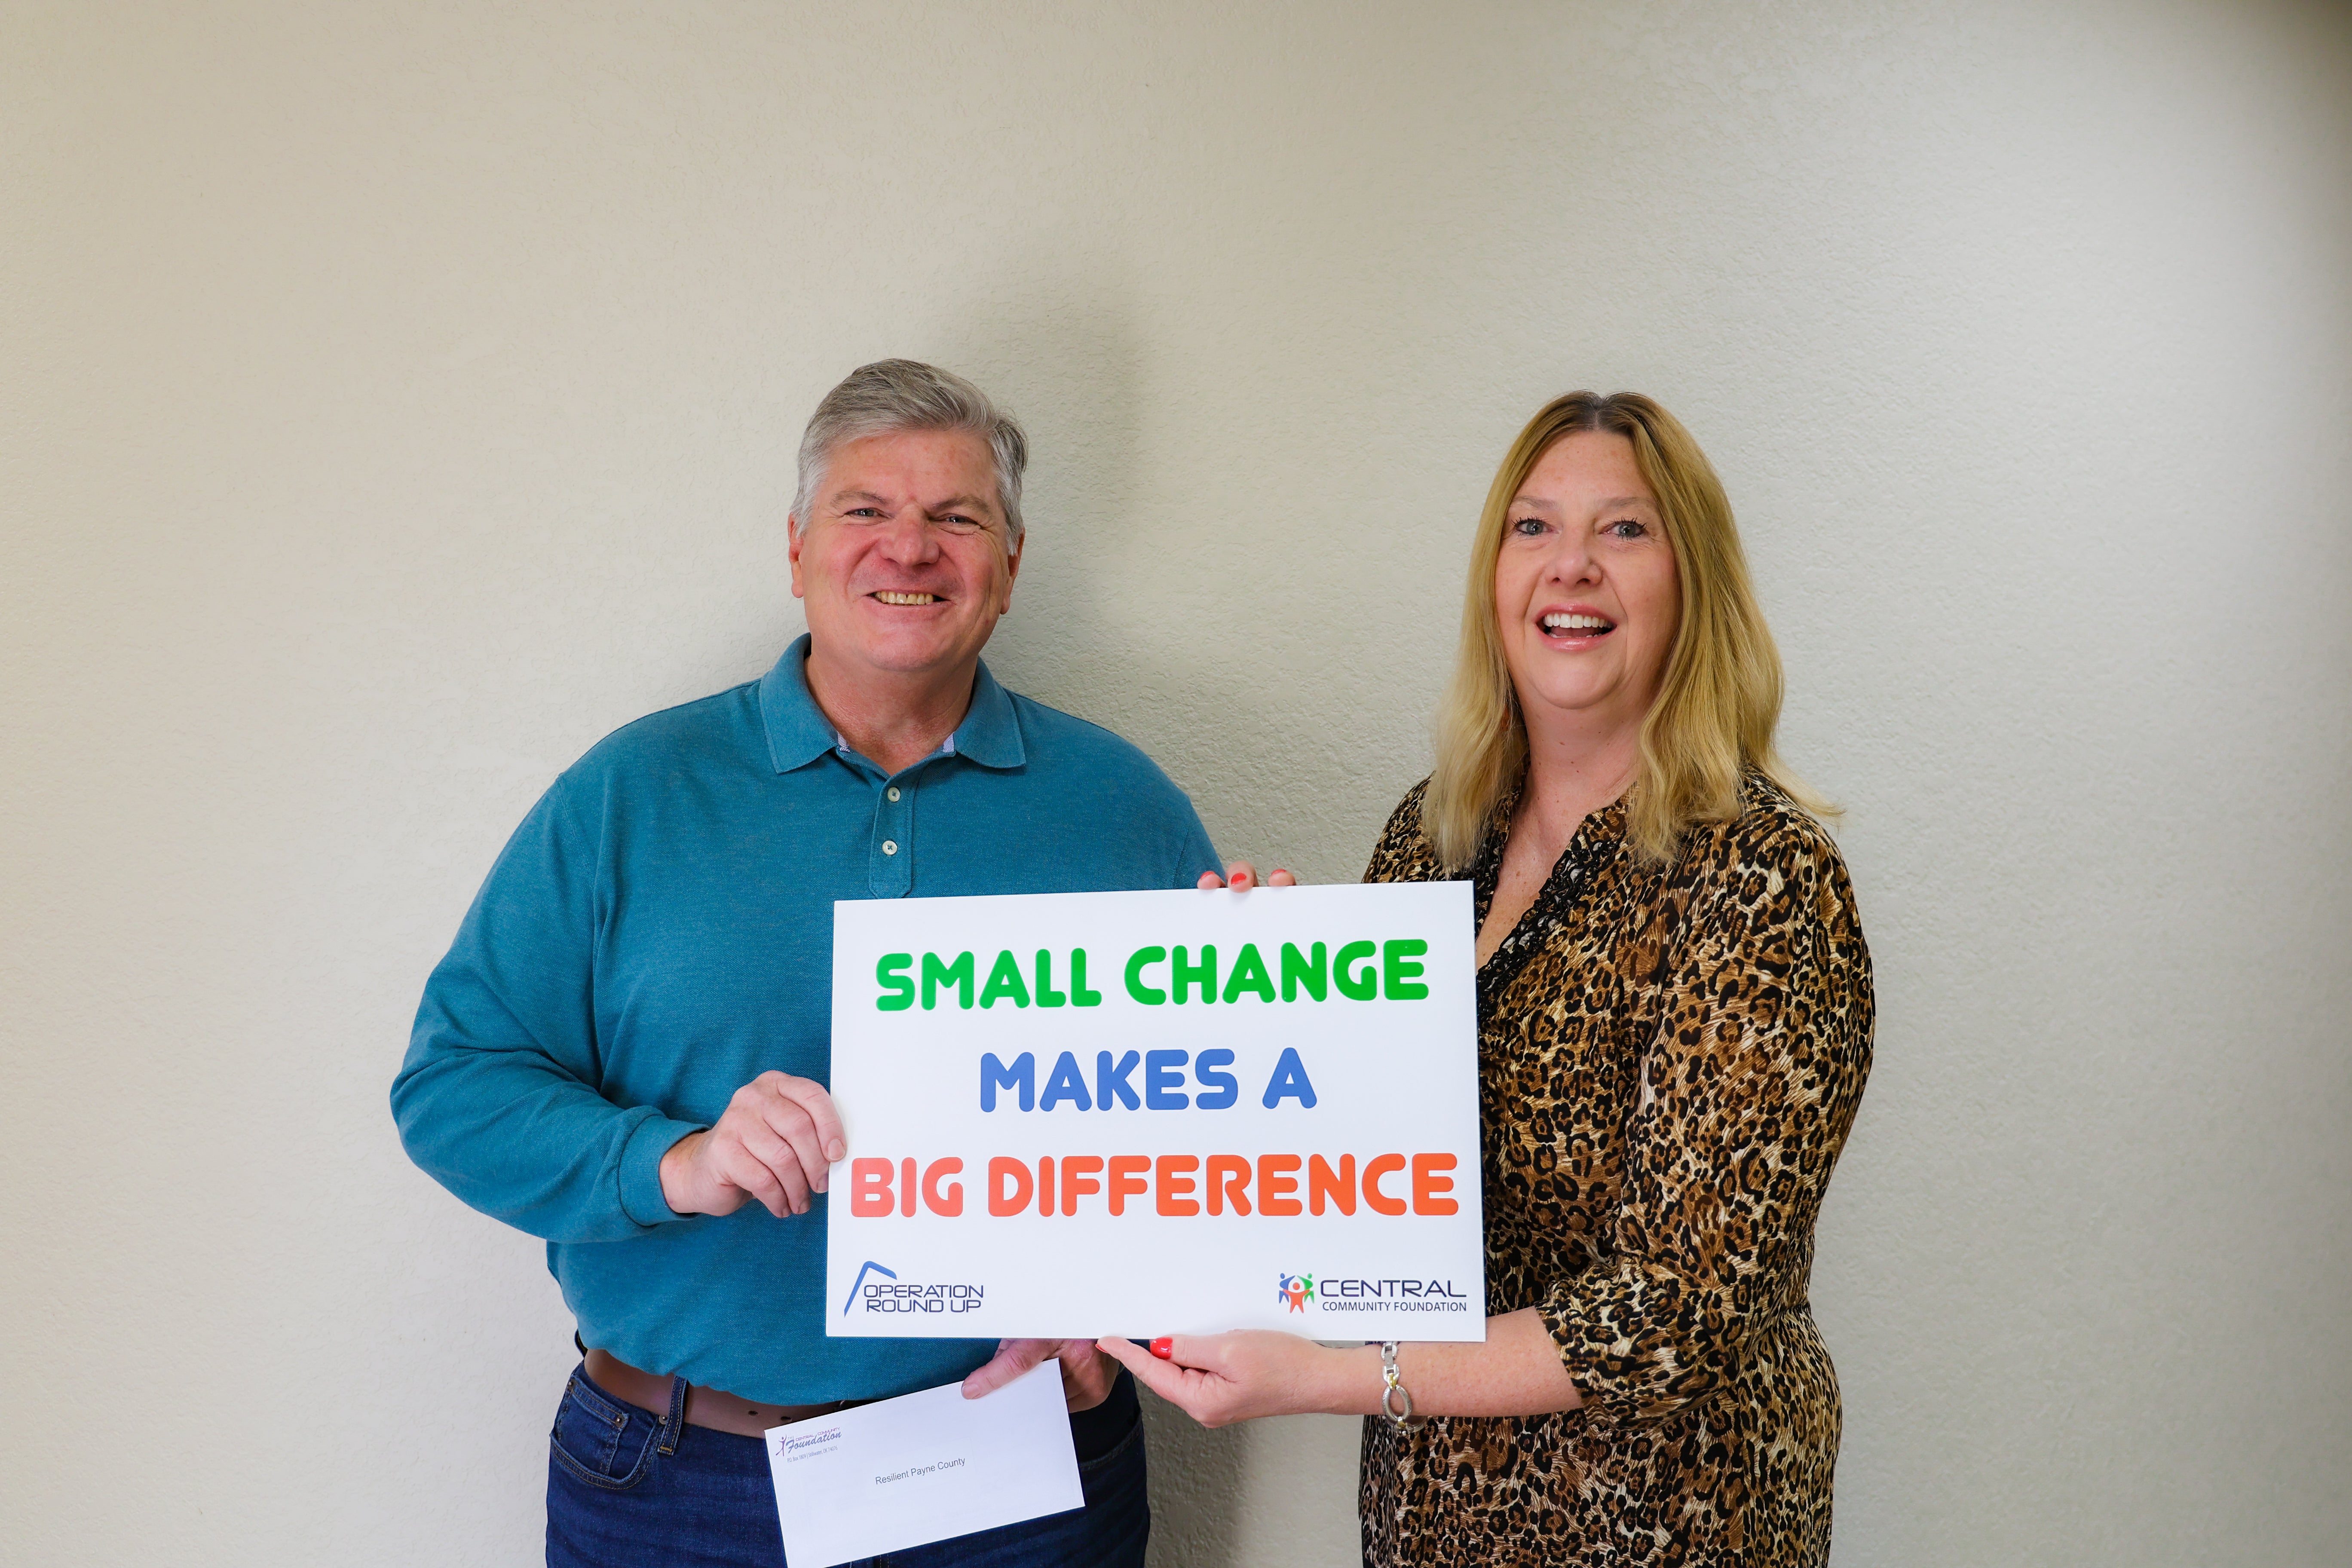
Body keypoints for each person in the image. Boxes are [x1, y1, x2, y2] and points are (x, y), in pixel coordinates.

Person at [392, 359, 1234, 1567]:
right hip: (676, 1483)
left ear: (1008, 566)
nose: (911, 549)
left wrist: (1132, 1309)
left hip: (1013, 1471)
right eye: (866, 512)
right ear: (796, 553)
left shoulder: (1121, 808)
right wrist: (673, 1161)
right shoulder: (632, 794)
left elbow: (1215, 1144)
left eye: (956, 518)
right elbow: (452, 1086)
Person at [1101, 391, 1874, 1566]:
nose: (1572, 567)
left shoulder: (1763, 874)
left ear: (1693, 582)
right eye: (1533, 529)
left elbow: (1674, 1310)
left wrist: (1326, 1376)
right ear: (1495, 579)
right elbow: (1349, 1164)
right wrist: (1260, 994)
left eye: (1626, 531)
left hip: (1665, 1519)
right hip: (1437, 1510)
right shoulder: (1434, 838)